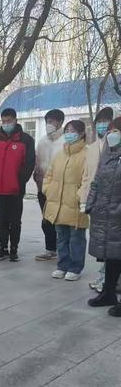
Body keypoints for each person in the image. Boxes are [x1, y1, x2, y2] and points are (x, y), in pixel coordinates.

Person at [0, 108, 35, 262]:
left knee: (15, 220)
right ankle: (3, 248)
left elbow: (29, 163)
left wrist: (20, 181)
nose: (6, 123)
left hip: (15, 189)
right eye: (4, 121)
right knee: (2, 220)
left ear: (15, 120)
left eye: (9, 121)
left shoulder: (26, 140)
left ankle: (14, 249)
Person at [43, 120, 88, 281]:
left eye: (73, 130)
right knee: (61, 237)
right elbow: (49, 175)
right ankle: (62, 265)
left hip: (75, 204)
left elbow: (88, 180)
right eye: (67, 130)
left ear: (82, 133)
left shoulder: (86, 154)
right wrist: (47, 189)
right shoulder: (60, 154)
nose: (69, 133)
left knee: (76, 238)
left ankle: (75, 267)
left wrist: (79, 197)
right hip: (58, 203)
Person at [86, 117, 121, 315]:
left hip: (117, 214)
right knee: (112, 256)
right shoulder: (108, 153)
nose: (111, 134)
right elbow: (96, 181)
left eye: (116, 130)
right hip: (106, 213)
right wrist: (91, 204)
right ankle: (108, 293)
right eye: (110, 130)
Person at [80, 107, 114, 292]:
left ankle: (110, 280)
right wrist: (84, 199)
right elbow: (86, 176)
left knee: (112, 243)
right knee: (100, 242)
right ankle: (103, 276)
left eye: (106, 121)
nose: (102, 125)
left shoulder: (116, 145)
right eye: (99, 122)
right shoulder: (92, 148)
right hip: (95, 201)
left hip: (113, 203)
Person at [33, 109, 65, 261]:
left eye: (52, 121)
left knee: (60, 221)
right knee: (46, 221)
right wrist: (37, 175)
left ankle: (64, 251)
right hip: (43, 188)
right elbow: (38, 161)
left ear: (60, 122)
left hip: (60, 190)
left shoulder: (66, 141)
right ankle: (50, 249)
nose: (49, 125)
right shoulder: (42, 141)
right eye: (47, 122)